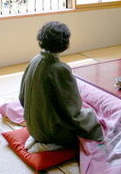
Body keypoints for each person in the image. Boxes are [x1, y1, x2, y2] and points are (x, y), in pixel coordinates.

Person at [19, 21, 103, 149]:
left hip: (32, 127)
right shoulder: (60, 69)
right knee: (94, 118)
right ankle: (50, 144)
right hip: (51, 133)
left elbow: (22, 97)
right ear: (64, 43)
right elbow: (72, 110)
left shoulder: (34, 60)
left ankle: (39, 138)